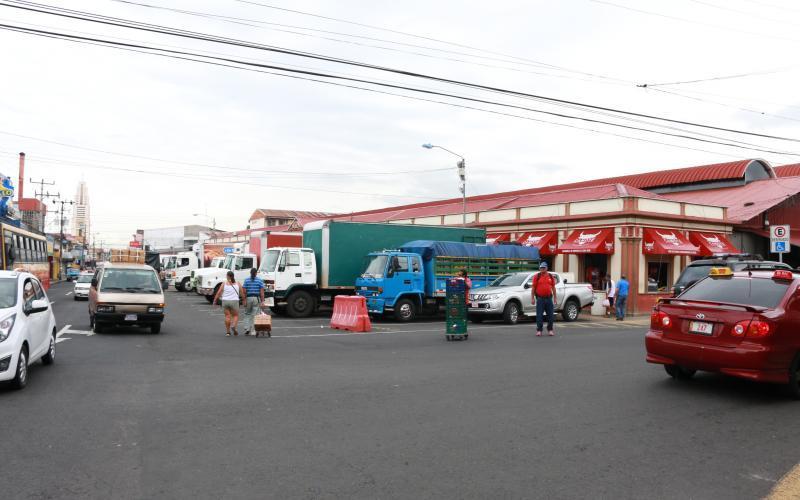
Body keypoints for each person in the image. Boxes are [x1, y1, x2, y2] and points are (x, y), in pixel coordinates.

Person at [213, 270, 245, 336]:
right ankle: (234, 326)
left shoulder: (224, 283)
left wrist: (215, 300)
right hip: (234, 301)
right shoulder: (238, 283)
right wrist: (244, 300)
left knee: (227, 316)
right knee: (235, 315)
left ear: (228, 276)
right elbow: (242, 293)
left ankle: (228, 332)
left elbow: (219, 293)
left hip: (225, 301)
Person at [531, 262, 557, 337]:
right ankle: (539, 330)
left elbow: (553, 288)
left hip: (549, 298)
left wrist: (555, 298)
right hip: (540, 299)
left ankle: (550, 329)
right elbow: (533, 288)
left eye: (543, 268)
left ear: (547, 268)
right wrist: (532, 298)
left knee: (550, 315)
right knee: (539, 315)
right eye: (541, 268)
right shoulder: (537, 276)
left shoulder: (550, 276)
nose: (542, 269)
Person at [241, 268, 266, 336]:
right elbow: (262, 292)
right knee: (255, 315)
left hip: (248, 298)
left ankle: (247, 328)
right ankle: (253, 330)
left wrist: (244, 300)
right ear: (256, 273)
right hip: (256, 298)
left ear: (250, 273)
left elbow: (244, 291)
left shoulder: (246, 280)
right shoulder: (259, 280)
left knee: (247, 313)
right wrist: (262, 301)